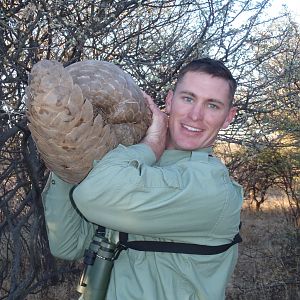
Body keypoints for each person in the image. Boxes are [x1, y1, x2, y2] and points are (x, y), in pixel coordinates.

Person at [42, 58, 243, 300]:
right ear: (170, 100)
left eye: (212, 105)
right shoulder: (130, 166)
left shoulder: (212, 191)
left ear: (229, 116)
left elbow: (91, 195)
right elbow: (68, 244)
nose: (195, 115)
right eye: (188, 98)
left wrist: (148, 147)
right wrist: (68, 150)